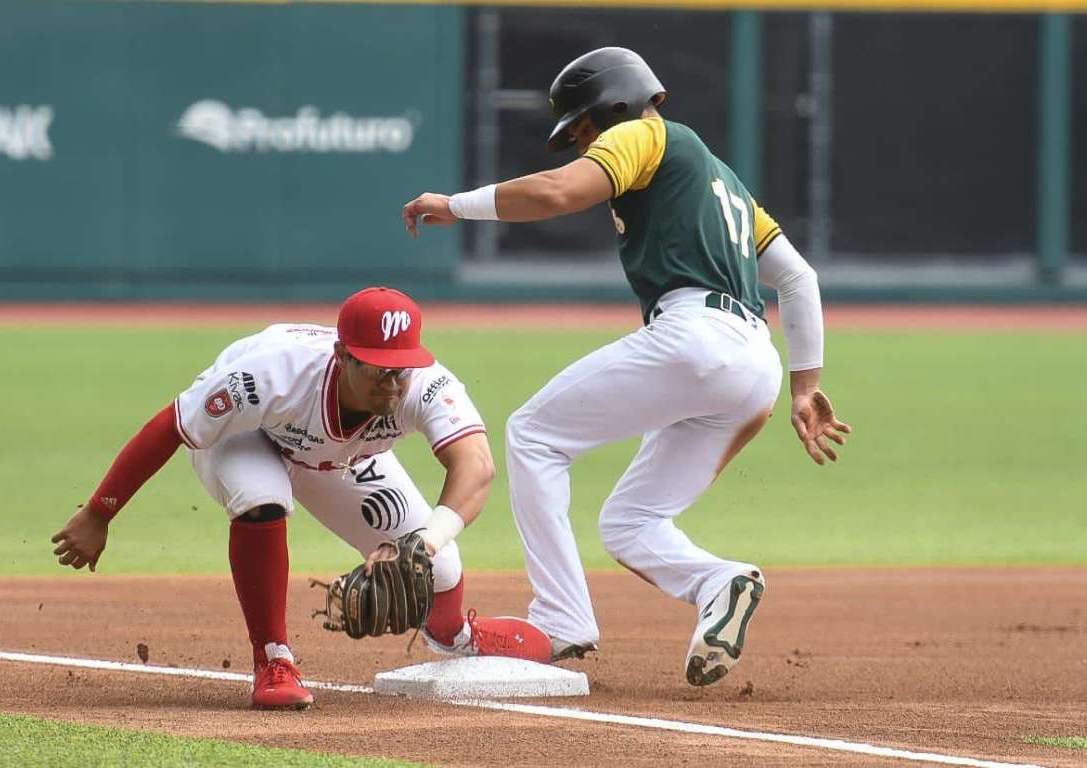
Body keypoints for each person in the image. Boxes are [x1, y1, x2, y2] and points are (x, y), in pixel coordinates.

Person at [402, 47, 851, 687]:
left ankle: (560, 620)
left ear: (614, 104)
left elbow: (559, 191)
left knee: (533, 433)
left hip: (696, 335)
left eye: (582, 129)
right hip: (755, 365)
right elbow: (798, 278)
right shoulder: (722, 180)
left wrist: (457, 203)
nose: (580, 144)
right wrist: (806, 386)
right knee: (629, 521)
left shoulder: (648, 135)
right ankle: (721, 582)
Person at [50, 287, 550, 709]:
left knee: (437, 566)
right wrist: (99, 512)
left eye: (401, 368)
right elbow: (171, 426)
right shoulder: (268, 375)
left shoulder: (422, 384)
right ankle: (273, 658)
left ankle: (455, 634)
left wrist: (425, 542)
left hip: (336, 455)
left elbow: (476, 466)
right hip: (249, 433)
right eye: (378, 369)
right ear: (343, 355)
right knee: (261, 494)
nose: (392, 383)